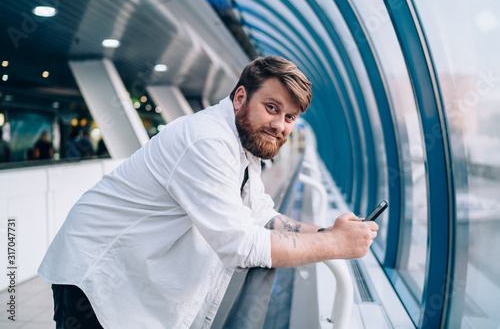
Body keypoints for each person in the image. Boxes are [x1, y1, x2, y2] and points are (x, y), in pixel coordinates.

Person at [38, 56, 378, 328]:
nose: (280, 125)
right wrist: (334, 245)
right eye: (272, 108)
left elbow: (260, 214)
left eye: (290, 117)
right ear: (241, 97)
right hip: (96, 277)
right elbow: (239, 245)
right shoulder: (206, 140)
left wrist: (328, 232)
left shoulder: (245, 145)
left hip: (130, 277)